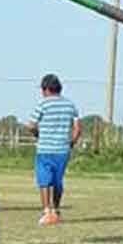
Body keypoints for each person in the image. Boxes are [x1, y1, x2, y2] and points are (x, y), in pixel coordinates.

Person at [25, 73, 80, 226]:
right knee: (57, 181)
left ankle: (46, 211)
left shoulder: (43, 104)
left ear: (47, 89)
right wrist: (71, 143)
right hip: (62, 149)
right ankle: (56, 209)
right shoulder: (70, 105)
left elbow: (30, 125)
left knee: (44, 181)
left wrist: (38, 134)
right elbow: (77, 128)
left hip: (45, 149)